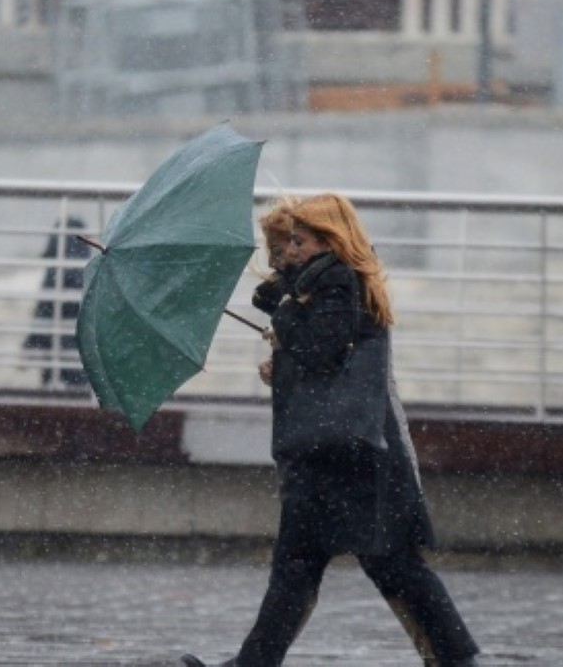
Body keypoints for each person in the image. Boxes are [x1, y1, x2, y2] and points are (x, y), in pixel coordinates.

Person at [182, 194, 479, 667]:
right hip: (338, 453)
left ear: (330, 240)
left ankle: (456, 659)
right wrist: (282, 358)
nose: (289, 252)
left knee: (385, 566)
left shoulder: (339, 282)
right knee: (309, 568)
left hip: (347, 456)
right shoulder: (329, 286)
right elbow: (329, 359)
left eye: (299, 242)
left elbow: (320, 349)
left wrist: (284, 317)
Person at [22, 216, 91, 387]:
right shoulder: (87, 270)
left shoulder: (56, 272)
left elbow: (44, 312)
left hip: (58, 355)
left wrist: (30, 345)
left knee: (57, 385)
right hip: (83, 357)